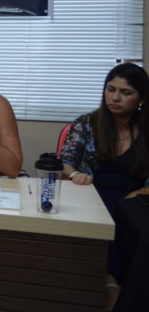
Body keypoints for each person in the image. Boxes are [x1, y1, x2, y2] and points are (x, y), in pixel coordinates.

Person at [60, 62, 149, 306]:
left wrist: (142, 192)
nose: (115, 98)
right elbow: (65, 162)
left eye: (126, 92)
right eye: (111, 89)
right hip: (92, 193)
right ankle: (111, 283)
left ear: (141, 98)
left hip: (136, 198)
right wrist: (75, 175)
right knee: (104, 214)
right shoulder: (87, 123)